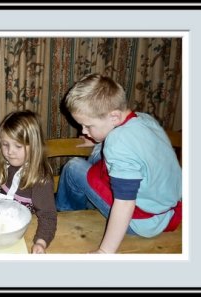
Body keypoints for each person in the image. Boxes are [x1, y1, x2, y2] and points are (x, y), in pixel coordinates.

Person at [55, 73, 182, 254]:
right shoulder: (144, 119)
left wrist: (105, 252)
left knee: (74, 167)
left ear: (114, 117)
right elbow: (135, 148)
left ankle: (67, 216)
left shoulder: (117, 143)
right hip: (165, 208)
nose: (83, 131)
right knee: (101, 149)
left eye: (88, 126)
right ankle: (90, 200)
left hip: (140, 222)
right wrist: (97, 139)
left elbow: (124, 204)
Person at [0, 110, 57, 254]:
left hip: (25, 230)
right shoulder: (5, 165)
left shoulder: (40, 179)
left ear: (34, 146)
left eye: (18, 146)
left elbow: (48, 216)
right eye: (5, 145)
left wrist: (41, 242)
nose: (10, 152)